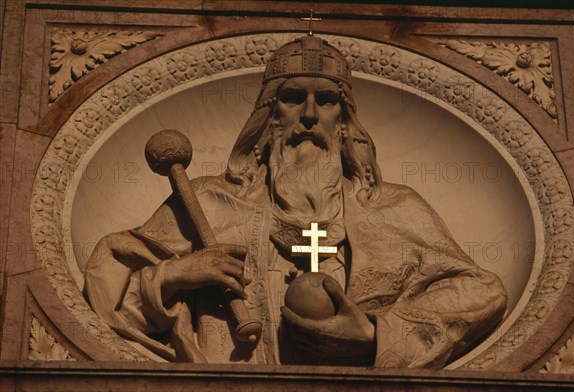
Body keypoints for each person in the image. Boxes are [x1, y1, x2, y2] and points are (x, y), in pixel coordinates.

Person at [84, 35, 507, 368]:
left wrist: (379, 333)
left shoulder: (394, 208)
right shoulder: (210, 203)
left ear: (343, 122)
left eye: (326, 101)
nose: (308, 115)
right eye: (292, 98)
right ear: (269, 117)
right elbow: (115, 305)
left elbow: (482, 292)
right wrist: (175, 274)